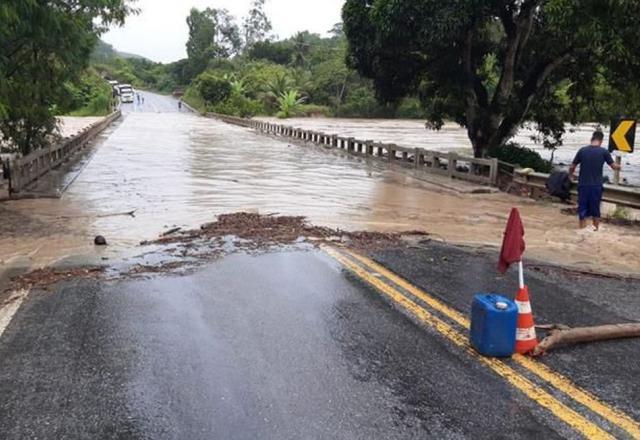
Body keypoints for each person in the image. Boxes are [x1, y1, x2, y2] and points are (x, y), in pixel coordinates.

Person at [568, 130, 621, 231]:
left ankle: (582, 229)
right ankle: (596, 229)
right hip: (596, 186)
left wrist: (570, 176)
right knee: (595, 210)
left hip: (583, 185)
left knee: (582, 210)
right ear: (601, 140)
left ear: (591, 139)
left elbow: (572, 166)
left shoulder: (582, 150)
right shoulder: (604, 152)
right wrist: (620, 166)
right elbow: (614, 167)